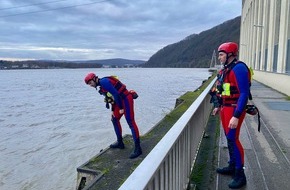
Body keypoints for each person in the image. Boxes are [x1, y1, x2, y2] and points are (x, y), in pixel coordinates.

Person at [210, 42, 250, 189]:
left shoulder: (239, 68)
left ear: (230, 54)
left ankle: (240, 175)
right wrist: (217, 105)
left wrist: (237, 115)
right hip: (225, 108)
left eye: (221, 55)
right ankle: (232, 165)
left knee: (234, 139)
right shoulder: (226, 70)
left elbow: (244, 93)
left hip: (234, 110)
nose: (219, 57)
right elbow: (222, 90)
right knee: (229, 138)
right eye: (219, 54)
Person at [84, 73, 142, 159]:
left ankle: (138, 149)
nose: (90, 85)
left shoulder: (104, 82)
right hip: (119, 101)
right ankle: (120, 143)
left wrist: (121, 108)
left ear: (94, 79)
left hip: (126, 99)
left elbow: (116, 94)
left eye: (90, 83)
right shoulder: (101, 86)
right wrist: (112, 110)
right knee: (114, 119)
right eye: (88, 84)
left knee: (131, 122)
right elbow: (111, 98)